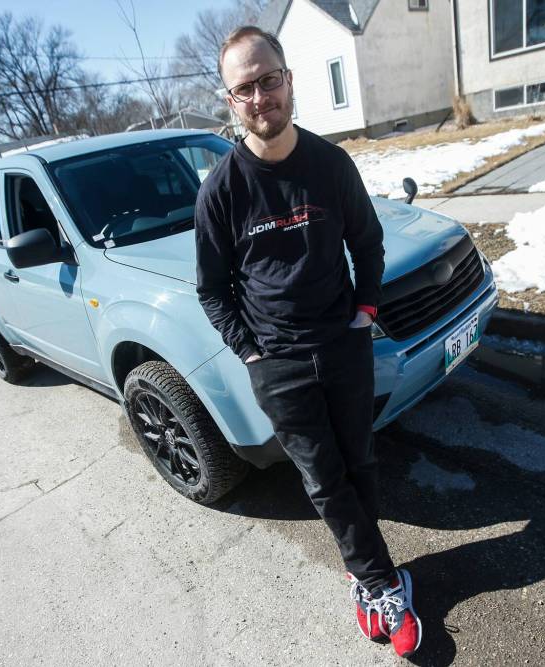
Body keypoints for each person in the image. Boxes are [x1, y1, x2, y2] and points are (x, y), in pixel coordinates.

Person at [193, 25, 422, 658]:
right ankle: (379, 583)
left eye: (270, 80)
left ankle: (361, 567)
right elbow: (212, 289)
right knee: (323, 480)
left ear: (289, 81)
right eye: (245, 88)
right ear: (231, 100)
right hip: (279, 363)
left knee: (359, 464)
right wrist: (251, 354)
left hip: (343, 344)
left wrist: (364, 311)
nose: (261, 97)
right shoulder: (221, 192)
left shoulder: (329, 164)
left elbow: (367, 242)